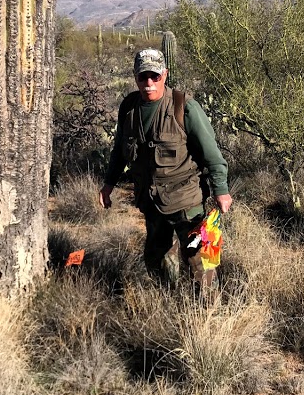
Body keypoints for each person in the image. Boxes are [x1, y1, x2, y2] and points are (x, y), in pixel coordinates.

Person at [99, 48, 232, 288]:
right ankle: (166, 300)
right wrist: (109, 183)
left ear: (165, 75)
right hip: (151, 204)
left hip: (186, 204)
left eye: (155, 76)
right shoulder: (129, 108)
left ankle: (207, 314)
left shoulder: (184, 107)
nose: (149, 83)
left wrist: (221, 190)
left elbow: (211, 153)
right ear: (135, 77)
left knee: (199, 259)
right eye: (143, 77)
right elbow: (119, 149)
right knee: (156, 259)